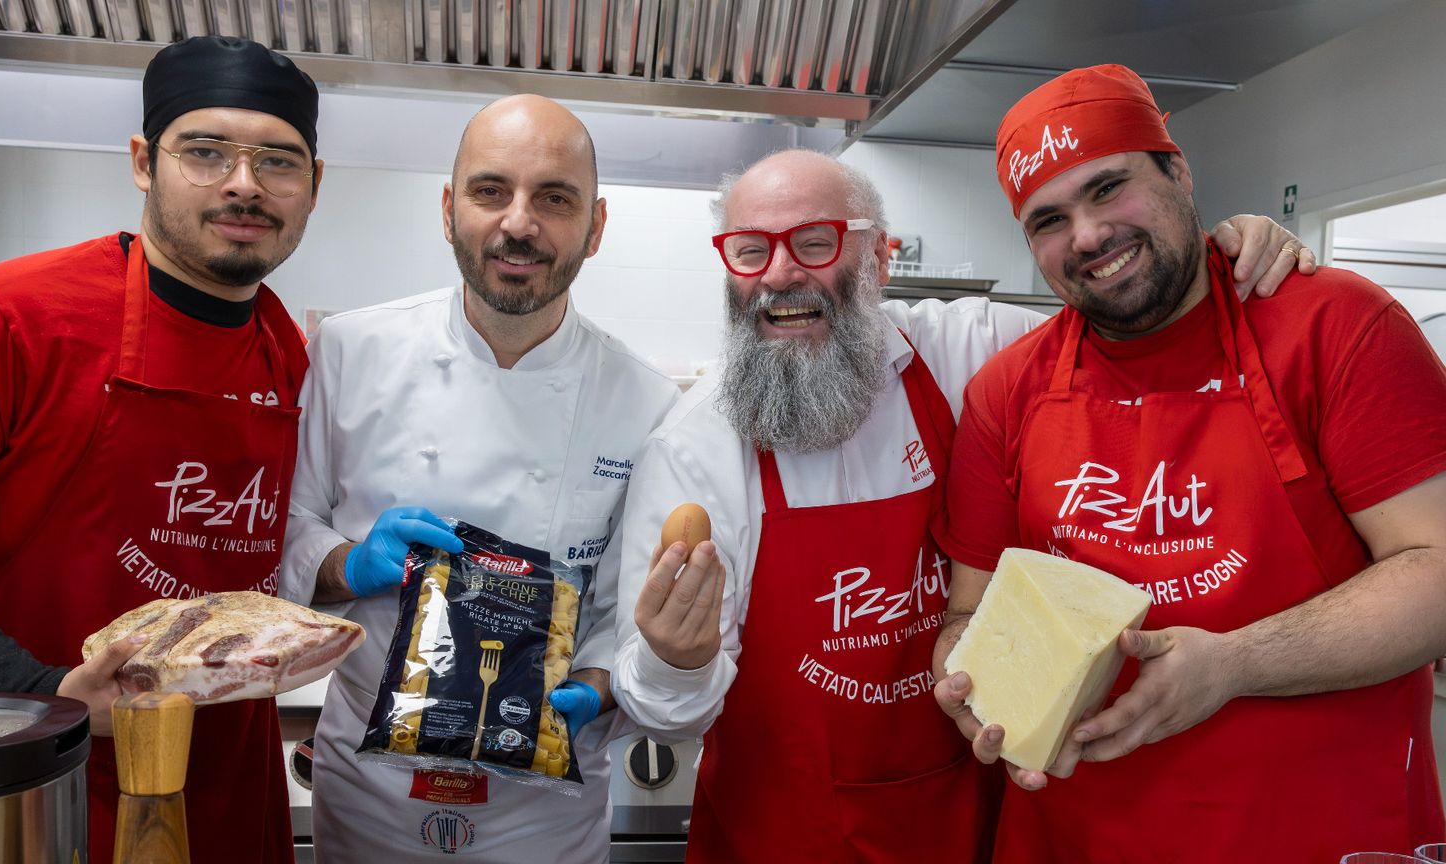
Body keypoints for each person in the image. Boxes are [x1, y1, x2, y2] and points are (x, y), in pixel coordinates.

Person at [607, 145, 1311, 862]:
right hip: (783, 834)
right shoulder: (694, 452)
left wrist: (1218, 256)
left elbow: (1129, 315)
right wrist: (678, 660)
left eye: (815, 243)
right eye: (750, 251)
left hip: (971, 815)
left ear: (880, 259)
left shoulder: (971, 352)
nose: (780, 275)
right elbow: (664, 718)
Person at [932, 64, 1446, 862]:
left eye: (1108, 188)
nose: (1089, 236)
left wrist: (1236, 663)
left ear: (1178, 170)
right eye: (1049, 220)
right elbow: (969, 615)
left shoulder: (1338, 327)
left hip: (1314, 828)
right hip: (1078, 838)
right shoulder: (1008, 389)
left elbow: (1439, 570)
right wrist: (969, 688)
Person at [0, 36, 321, 863]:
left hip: (224, 792)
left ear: (313, 186)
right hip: (28, 781)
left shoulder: (290, 352)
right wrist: (49, 692)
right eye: (205, 152)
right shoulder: (7, 318)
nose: (245, 184)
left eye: (278, 160)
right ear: (143, 161)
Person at [279, 94, 679, 861]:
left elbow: (624, 609)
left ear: (595, 229)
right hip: (371, 792)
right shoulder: (347, 350)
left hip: (544, 808)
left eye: (554, 199)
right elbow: (285, 529)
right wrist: (349, 563)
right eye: (490, 190)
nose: (519, 223)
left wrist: (596, 688)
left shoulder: (650, 403)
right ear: (447, 208)